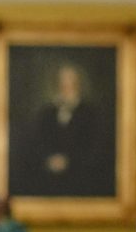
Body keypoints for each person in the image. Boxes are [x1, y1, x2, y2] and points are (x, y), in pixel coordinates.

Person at [11, 63, 115, 197]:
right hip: (48, 183)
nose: (66, 88)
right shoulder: (46, 114)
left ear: (78, 85)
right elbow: (35, 145)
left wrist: (68, 162)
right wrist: (48, 160)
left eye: (70, 83)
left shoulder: (91, 114)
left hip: (82, 182)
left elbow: (95, 150)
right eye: (62, 84)